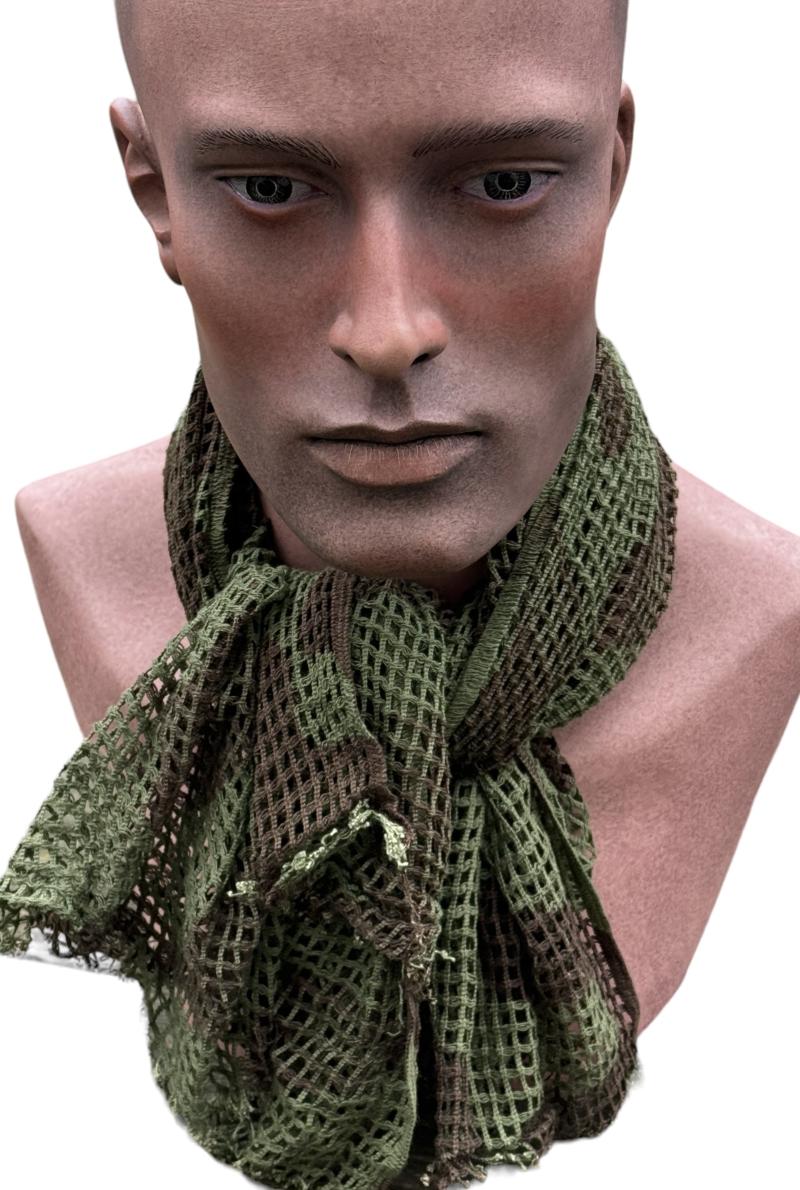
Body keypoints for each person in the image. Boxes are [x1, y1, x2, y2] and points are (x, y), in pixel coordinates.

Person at [3, 1, 799, 1188]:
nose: (386, 332)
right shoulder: (73, 545)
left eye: (504, 183)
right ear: (155, 194)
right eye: (270, 190)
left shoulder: (763, 605)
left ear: (609, 170)